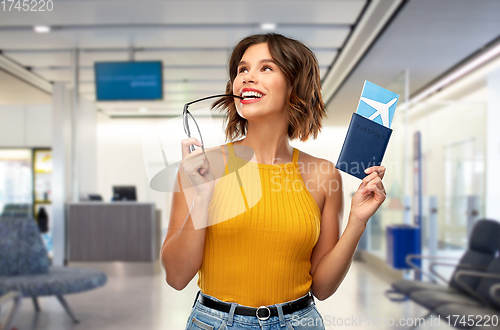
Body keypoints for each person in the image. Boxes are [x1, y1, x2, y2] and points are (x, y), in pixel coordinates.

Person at [160, 33, 386, 330]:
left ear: (295, 86)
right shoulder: (203, 167)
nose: (247, 77)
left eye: (266, 68)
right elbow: (176, 278)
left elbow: (323, 287)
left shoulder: (323, 174)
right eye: (242, 70)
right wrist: (202, 197)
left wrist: (357, 221)